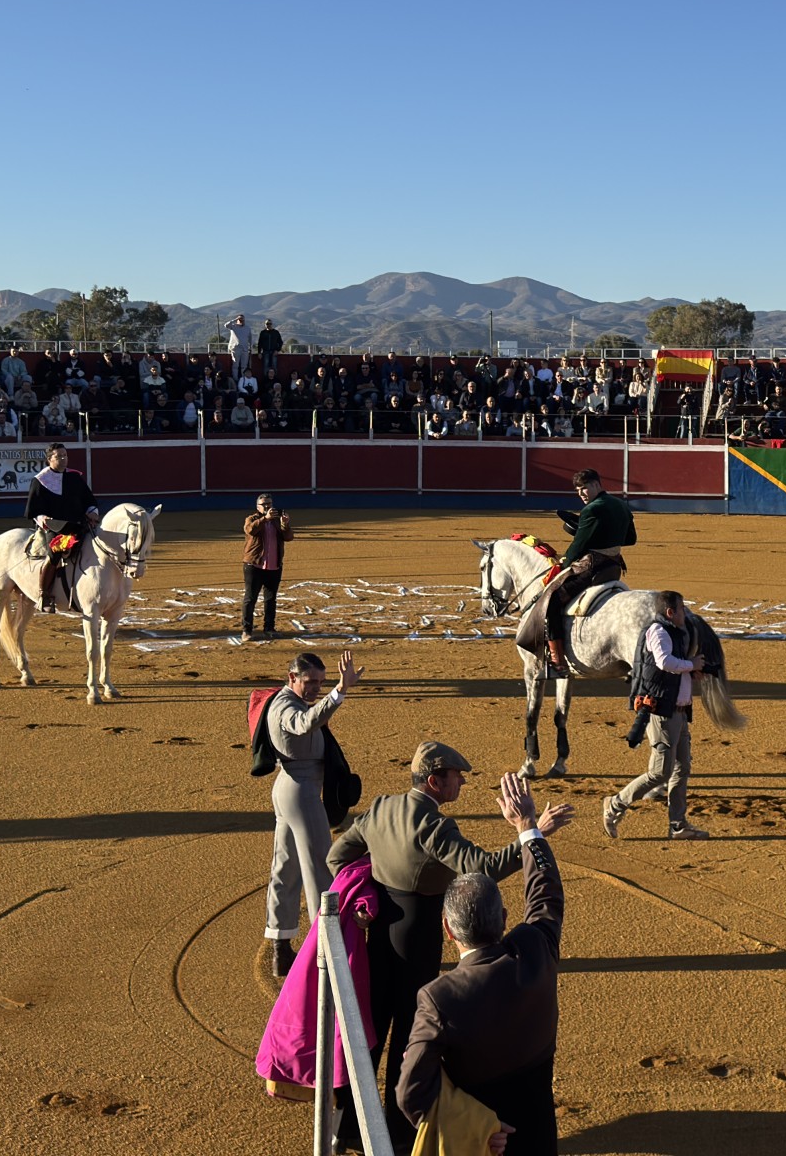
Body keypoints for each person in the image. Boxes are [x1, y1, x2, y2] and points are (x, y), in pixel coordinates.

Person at [326, 746, 574, 1153]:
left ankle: (348, 1124)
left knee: (370, 1030)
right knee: (409, 1034)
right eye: (457, 775)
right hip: (418, 936)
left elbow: (338, 855)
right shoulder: (434, 827)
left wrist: (363, 900)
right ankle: (398, 1135)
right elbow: (485, 869)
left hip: (380, 934)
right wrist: (534, 834)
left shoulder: (381, 807)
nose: (462, 781)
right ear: (434, 781)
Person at [396, 772, 565, 1156]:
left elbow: (411, 1095)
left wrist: (473, 1123)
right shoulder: (535, 950)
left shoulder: (439, 998)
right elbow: (546, 894)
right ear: (504, 918)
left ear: (447, 930)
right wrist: (527, 827)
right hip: (540, 1134)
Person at [257, 651, 360, 985]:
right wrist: (339, 692)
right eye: (309, 681)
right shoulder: (286, 706)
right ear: (291, 678)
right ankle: (329, 948)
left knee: (285, 867)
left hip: (292, 787)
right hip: (299, 790)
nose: (315, 687)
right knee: (320, 865)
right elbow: (305, 723)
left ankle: (281, 946)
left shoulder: (289, 700)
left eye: (320, 682)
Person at [602, 592, 708, 841]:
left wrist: (690, 673)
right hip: (662, 713)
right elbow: (664, 662)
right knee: (660, 773)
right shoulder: (658, 632)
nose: (685, 612)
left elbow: (671, 668)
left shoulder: (673, 633)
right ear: (670, 612)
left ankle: (678, 825)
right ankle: (615, 804)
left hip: (679, 712)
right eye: (682, 608)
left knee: (681, 769)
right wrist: (690, 665)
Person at [543, 467, 637, 673]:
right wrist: (602, 533)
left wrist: (563, 564)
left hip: (593, 567)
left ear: (596, 484)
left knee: (552, 600)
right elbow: (630, 540)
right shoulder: (621, 505)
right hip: (613, 568)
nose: (581, 494)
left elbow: (579, 545)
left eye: (584, 488)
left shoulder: (591, 509)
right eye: (578, 490)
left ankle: (557, 661)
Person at [23, 442, 99, 615]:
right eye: (59, 456)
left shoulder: (74, 477)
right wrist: (44, 519)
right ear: (50, 459)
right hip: (56, 528)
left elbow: (89, 500)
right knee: (54, 553)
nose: (64, 459)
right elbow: (34, 510)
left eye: (65, 456)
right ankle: (45, 595)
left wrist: (92, 512)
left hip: (79, 524)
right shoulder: (40, 481)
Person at [240, 493, 292, 642]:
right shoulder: (252, 519)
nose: (267, 506)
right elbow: (250, 530)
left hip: (274, 566)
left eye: (269, 503)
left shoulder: (277, 520)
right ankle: (247, 630)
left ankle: (269, 628)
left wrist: (285, 524)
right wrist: (265, 519)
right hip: (254, 565)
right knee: (250, 599)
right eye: (264, 504)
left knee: (271, 599)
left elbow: (288, 537)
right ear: (258, 507)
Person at [225, 313, 251, 380]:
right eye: (240, 319)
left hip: (245, 349)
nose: (241, 320)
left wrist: (250, 347)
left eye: (243, 319)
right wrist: (235, 319)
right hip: (236, 349)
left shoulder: (247, 328)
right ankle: (235, 380)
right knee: (235, 366)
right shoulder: (233, 326)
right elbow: (226, 325)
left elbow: (250, 338)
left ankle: (243, 380)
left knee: (244, 366)